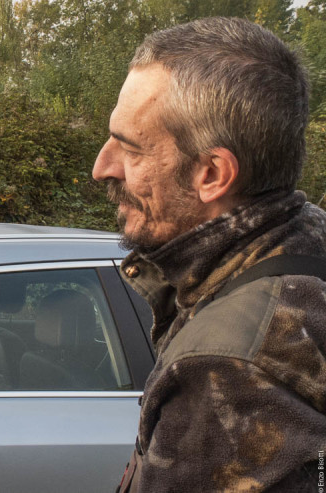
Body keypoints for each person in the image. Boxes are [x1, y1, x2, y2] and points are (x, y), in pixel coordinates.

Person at [92, 16, 326, 492]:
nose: (102, 167)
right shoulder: (308, 245)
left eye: (130, 148)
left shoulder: (228, 367)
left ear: (213, 174)